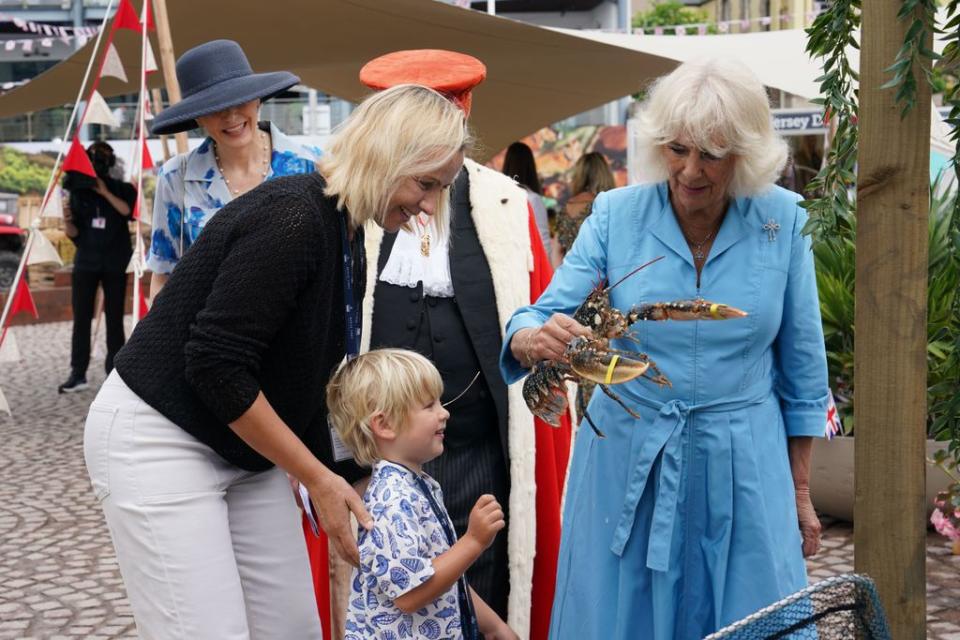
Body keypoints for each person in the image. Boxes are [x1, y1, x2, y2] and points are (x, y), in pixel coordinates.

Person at [82, 83, 469, 639]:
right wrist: (317, 479)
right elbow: (215, 364)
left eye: (440, 189)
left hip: (240, 442)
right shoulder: (295, 216)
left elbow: (305, 378)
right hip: (159, 435)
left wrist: (337, 480)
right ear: (386, 156)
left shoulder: (344, 231)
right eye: (425, 183)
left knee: (291, 628)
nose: (429, 205)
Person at [499, 57, 829, 639]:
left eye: (713, 153)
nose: (690, 170)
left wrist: (801, 493)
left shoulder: (786, 220)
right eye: (677, 149)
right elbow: (542, 312)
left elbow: (803, 372)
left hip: (747, 463)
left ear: (747, 154)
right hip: (629, 456)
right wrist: (530, 337)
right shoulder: (614, 215)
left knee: (753, 617)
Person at [357, 49, 571, 640]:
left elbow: (537, 310)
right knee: (393, 588)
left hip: (478, 441)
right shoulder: (356, 198)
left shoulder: (505, 205)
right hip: (381, 456)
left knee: (487, 574)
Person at [326, 349, 519, 640]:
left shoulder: (420, 486)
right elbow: (410, 593)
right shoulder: (391, 500)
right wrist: (474, 541)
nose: (444, 412)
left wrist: (493, 627)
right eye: (429, 406)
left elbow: (441, 572)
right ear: (385, 425)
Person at [146, 39, 320, 302]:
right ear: (198, 117)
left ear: (257, 99)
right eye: (214, 107)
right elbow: (164, 276)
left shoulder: (312, 166)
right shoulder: (176, 178)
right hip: (208, 334)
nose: (230, 115)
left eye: (240, 100)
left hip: (298, 336)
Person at [58, 141, 137, 393]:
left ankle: (114, 372)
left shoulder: (124, 189)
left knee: (114, 318)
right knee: (81, 317)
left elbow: (127, 212)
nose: (99, 162)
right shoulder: (78, 192)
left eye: (103, 157)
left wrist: (104, 192)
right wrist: (67, 219)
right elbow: (74, 233)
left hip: (115, 261)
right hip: (86, 262)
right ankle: (77, 373)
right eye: (94, 157)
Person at [550, 151, 615, 268]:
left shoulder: (567, 207)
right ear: (605, 175)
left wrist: (561, 279)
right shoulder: (605, 206)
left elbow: (556, 252)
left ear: (579, 175)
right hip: (600, 279)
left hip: (571, 277)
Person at [502, 141, 550, 258]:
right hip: (526, 266)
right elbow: (543, 241)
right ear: (530, 167)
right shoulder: (532, 199)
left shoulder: (498, 195)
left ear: (507, 164)